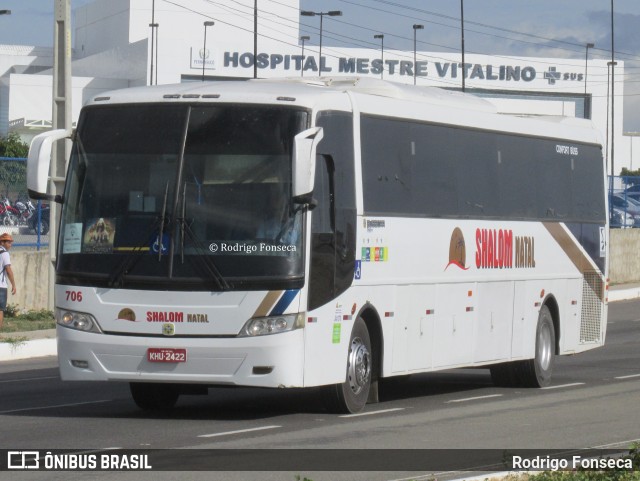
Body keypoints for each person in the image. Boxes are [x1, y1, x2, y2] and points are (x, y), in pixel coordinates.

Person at [0, 233, 17, 330]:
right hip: (1, 286)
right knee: (0, 310)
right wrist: (13, 284)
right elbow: (8, 270)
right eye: (8, 242)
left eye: (11, 242)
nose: (10, 244)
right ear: (2, 242)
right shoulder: (5, 254)